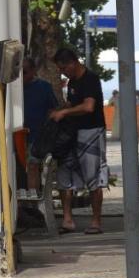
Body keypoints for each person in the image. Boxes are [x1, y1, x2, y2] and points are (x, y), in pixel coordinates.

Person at [49, 47, 107, 235]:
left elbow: (89, 106)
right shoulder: (73, 81)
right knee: (65, 175)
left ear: (72, 63)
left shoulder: (90, 79)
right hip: (72, 133)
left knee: (93, 177)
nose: (62, 72)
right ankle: (68, 220)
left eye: (63, 68)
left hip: (91, 132)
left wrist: (65, 112)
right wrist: (63, 107)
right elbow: (75, 103)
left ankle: (96, 221)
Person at [21, 59, 58, 193]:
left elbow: (53, 110)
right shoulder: (12, 87)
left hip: (36, 136)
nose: (21, 76)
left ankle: (33, 198)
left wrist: (48, 132)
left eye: (24, 72)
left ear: (33, 71)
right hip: (15, 135)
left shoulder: (44, 87)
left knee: (33, 166)